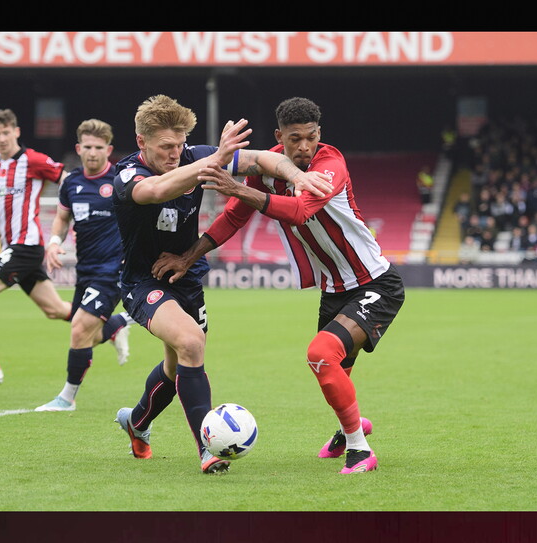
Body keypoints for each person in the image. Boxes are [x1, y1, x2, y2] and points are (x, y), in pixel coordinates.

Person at [152, 97, 406, 474]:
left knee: (321, 355)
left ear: (320, 134)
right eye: (294, 139)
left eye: (311, 137)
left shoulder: (330, 165)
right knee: (334, 370)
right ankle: (349, 428)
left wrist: (239, 189)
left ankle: (359, 449)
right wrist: (188, 257)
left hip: (376, 283)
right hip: (334, 290)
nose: (304, 146)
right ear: (279, 137)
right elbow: (234, 217)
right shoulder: (269, 166)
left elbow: (301, 211)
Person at [112, 95, 333, 475]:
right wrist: (213, 159)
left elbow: (264, 159)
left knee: (176, 365)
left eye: (180, 145)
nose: (175, 153)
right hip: (142, 281)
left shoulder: (193, 156)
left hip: (185, 278)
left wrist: (296, 177)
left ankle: (136, 421)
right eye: (166, 147)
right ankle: (208, 449)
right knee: (191, 343)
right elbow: (157, 191)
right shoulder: (127, 175)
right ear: (141, 142)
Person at [0, 108, 74, 389]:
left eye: (6, 132)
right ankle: (113, 326)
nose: (1, 138)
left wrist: (79, 208)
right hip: (14, 246)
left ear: (16, 132)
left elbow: (69, 180)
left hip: (26, 244)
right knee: (55, 309)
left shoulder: (33, 160)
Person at [35, 119, 135, 411]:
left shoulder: (121, 179)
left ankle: (66, 399)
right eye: (88, 147)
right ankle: (121, 322)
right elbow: (62, 218)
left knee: (79, 329)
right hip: (86, 270)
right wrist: (54, 242)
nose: (93, 152)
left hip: (114, 268)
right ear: (78, 149)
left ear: (109, 150)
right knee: (88, 335)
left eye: (99, 147)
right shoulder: (71, 183)